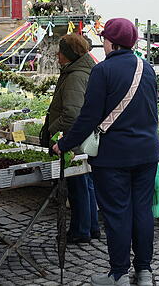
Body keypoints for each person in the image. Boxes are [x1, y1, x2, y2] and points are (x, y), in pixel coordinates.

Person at [53, 18, 159, 286]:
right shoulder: (146, 69)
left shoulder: (103, 71)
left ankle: (119, 273)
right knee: (142, 211)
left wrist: (64, 144)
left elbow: (88, 117)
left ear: (109, 42)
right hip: (147, 153)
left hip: (113, 157)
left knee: (118, 213)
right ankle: (144, 271)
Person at [40, 34, 100, 244]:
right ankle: (91, 227)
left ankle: (80, 230)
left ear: (68, 55)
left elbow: (72, 114)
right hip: (80, 136)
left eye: (60, 51)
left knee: (77, 185)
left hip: (72, 137)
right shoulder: (80, 70)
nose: (57, 55)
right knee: (85, 182)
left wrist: (52, 130)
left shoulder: (75, 75)